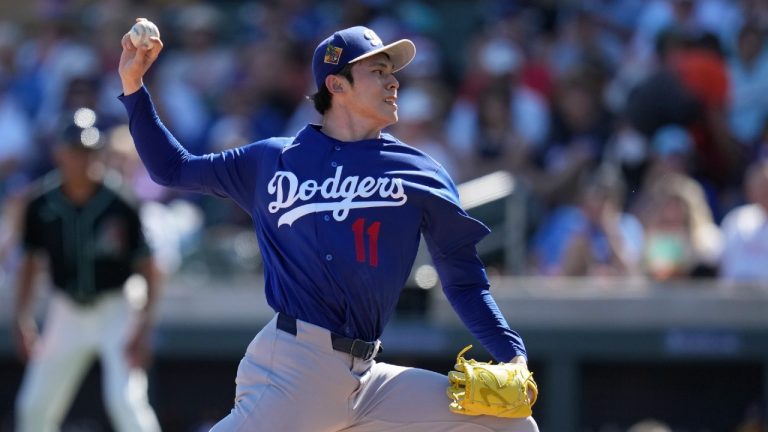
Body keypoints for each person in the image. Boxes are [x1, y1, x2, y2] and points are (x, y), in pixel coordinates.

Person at [118, 21, 538, 431]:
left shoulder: (422, 174)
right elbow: (172, 168)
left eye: (392, 72)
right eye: (377, 71)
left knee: (510, 422)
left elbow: (464, 282)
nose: (393, 83)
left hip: (368, 380)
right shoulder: (272, 161)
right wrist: (134, 85)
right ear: (336, 85)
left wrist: (513, 356)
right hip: (293, 367)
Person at [13, 115, 162, 432]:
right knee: (34, 406)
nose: (84, 159)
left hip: (117, 306)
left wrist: (145, 325)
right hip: (66, 309)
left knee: (126, 402)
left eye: (91, 151)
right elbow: (29, 263)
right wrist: (22, 316)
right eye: (76, 151)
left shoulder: (120, 201)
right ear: (60, 154)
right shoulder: (41, 203)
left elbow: (150, 268)